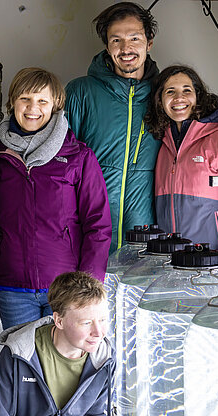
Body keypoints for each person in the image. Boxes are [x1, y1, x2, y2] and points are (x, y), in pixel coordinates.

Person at [0, 67, 112, 330]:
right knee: (24, 367)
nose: (32, 108)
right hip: (12, 291)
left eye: (42, 101)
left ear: (55, 105)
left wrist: (88, 288)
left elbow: (98, 226)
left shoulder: (78, 157)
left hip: (67, 291)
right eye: (25, 98)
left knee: (67, 366)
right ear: (12, 102)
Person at [65, 2, 161, 252]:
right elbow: (60, 162)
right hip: (88, 236)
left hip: (146, 244)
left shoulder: (164, 95)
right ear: (107, 46)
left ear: (149, 42)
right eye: (116, 40)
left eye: (134, 38)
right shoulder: (80, 91)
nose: (126, 48)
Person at [146, 65, 218, 268]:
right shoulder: (162, 146)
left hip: (213, 270)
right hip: (170, 272)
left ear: (199, 96)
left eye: (187, 90)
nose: (179, 98)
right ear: (160, 100)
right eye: (170, 91)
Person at [0, 272, 114, 416]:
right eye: (86, 323)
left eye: (103, 320)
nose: (98, 332)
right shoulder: (17, 353)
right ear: (59, 321)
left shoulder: (105, 358)